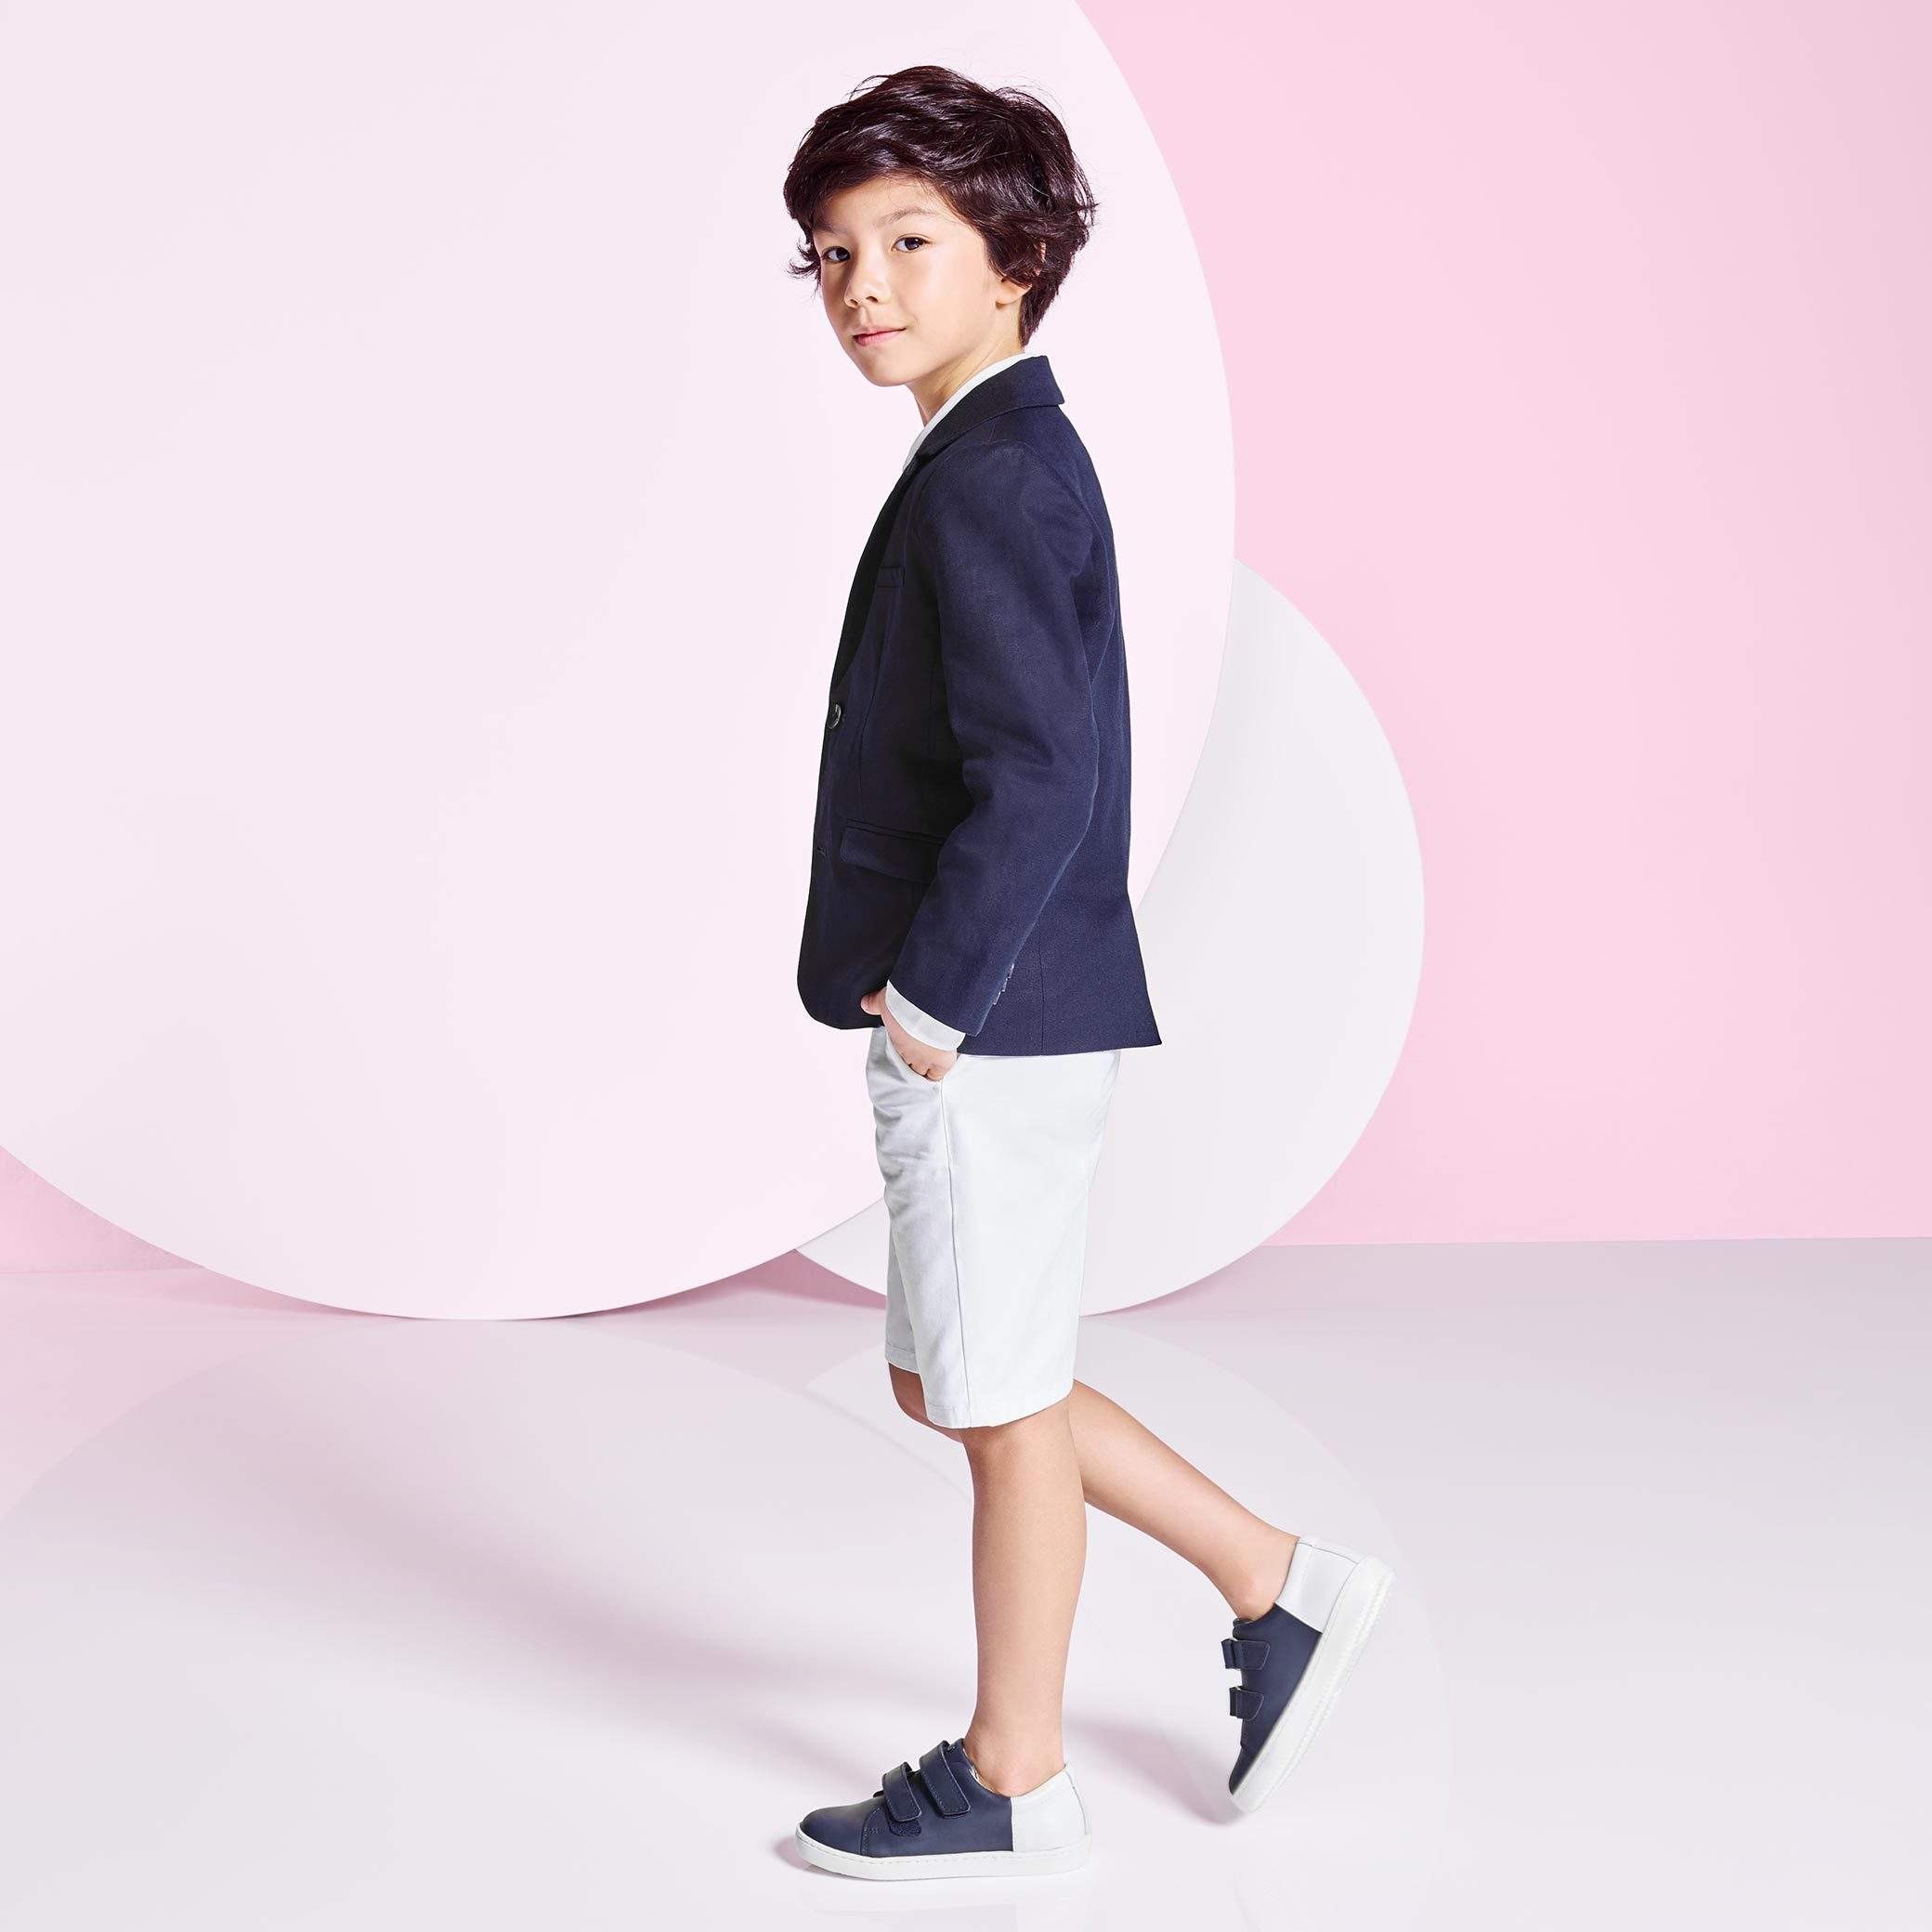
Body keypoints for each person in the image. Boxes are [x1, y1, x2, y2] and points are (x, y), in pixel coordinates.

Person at [784, 64, 1394, 1880]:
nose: (863, 285)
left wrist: (932, 1006)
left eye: (908, 240)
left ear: (1015, 257)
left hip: (987, 1015)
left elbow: (1039, 773)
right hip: (1000, 1009)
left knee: (988, 1398)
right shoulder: (989, 451)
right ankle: (1275, 1580)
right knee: (967, 1378)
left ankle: (1014, 1775)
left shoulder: (994, 473)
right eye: (833, 254)